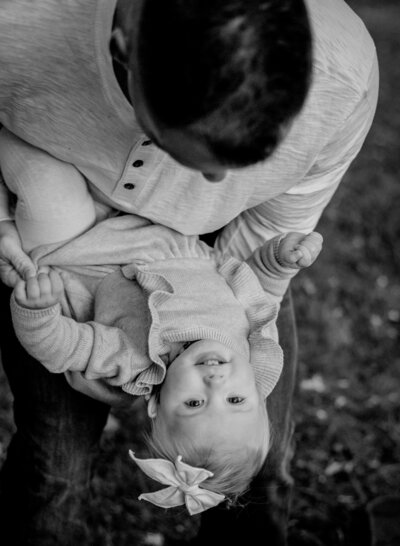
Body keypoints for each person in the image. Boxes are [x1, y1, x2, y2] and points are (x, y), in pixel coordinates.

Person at [0, 0, 378, 544]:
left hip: (81, 265)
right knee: (55, 462)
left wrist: (42, 313)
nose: (217, 179)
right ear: (123, 50)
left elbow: (69, 342)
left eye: (196, 400)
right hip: (86, 233)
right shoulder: (20, 20)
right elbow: (261, 285)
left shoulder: (341, 76)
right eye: (194, 152)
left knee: (256, 473)